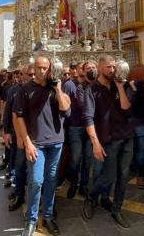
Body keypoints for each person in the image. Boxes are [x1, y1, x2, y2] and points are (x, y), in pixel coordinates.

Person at [15, 56, 70, 236]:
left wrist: (58, 89)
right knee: (36, 181)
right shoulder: (25, 89)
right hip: (36, 144)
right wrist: (27, 142)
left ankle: (47, 217)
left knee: (51, 180)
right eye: (38, 68)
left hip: (56, 143)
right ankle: (31, 220)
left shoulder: (55, 88)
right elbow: (19, 117)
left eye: (45, 68)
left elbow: (65, 110)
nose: (41, 71)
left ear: (50, 68)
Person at [82, 55, 133, 229]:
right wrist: (95, 143)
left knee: (124, 176)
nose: (112, 70)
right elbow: (88, 118)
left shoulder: (119, 85)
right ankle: (91, 197)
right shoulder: (92, 89)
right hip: (109, 140)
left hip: (126, 138)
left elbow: (126, 110)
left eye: (114, 67)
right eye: (109, 67)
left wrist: (120, 88)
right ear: (100, 67)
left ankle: (117, 210)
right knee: (108, 177)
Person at [5, 65, 34, 211]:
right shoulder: (14, 90)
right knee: (20, 165)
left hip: (36, 135)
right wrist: (7, 132)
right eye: (28, 74)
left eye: (33, 74)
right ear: (22, 75)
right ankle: (18, 193)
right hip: (19, 134)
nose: (32, 77)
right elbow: (10, 112)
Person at [64, 62, 92, 199]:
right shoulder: (69, 85)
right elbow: (64, 105)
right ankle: (74, 183)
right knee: (75, 158)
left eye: (84, 69)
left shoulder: (91, 84)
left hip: (89, 127)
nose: (81, 71)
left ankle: (84, 185)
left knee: (87, 158)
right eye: (80, 68)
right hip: (74, 126)